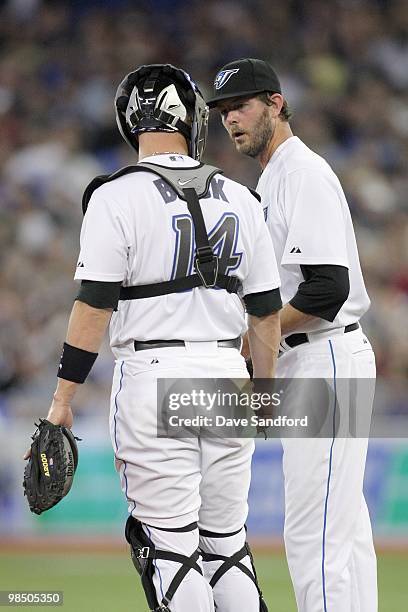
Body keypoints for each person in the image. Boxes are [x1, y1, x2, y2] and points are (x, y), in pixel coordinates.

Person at [33, 63, 281, 612]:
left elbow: (94, 305)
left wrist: (62, 401)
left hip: (153, 376)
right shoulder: (241, 196)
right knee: (227, 548)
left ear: (129, 122)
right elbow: (265, 314)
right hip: (226, 378)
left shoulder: (114, 195)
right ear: (192, 118)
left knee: (170, 550)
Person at [208, 58, 377, 612]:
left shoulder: (299, 171)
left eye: (242, 105)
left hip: (324, 358)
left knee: (315, 536)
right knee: (344, 534)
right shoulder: (276, 174)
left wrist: (258, 337)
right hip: (323, 358)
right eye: (223, 111)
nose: (231, 119)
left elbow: (328, 288)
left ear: (276, 104)